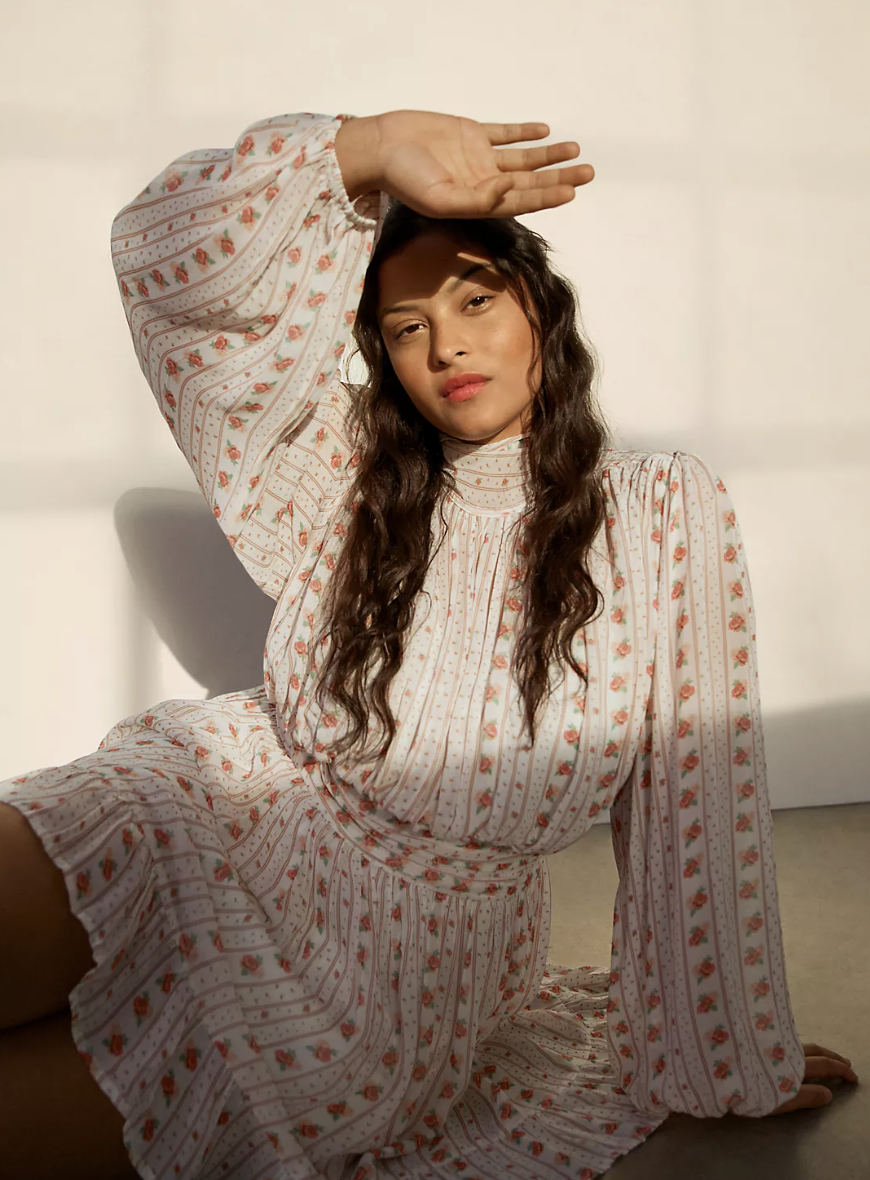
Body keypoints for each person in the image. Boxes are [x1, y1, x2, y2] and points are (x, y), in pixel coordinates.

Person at [0, 108, 856, 1180]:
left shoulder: (656, 508)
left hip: (388, 975)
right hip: (209, 801)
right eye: (405, 327)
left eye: (475, 301)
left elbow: (701, 793)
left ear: (542, 310)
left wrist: (725, 1050)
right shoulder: (345, 472)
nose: (444, 343)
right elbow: (160, 268)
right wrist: (366, 148)